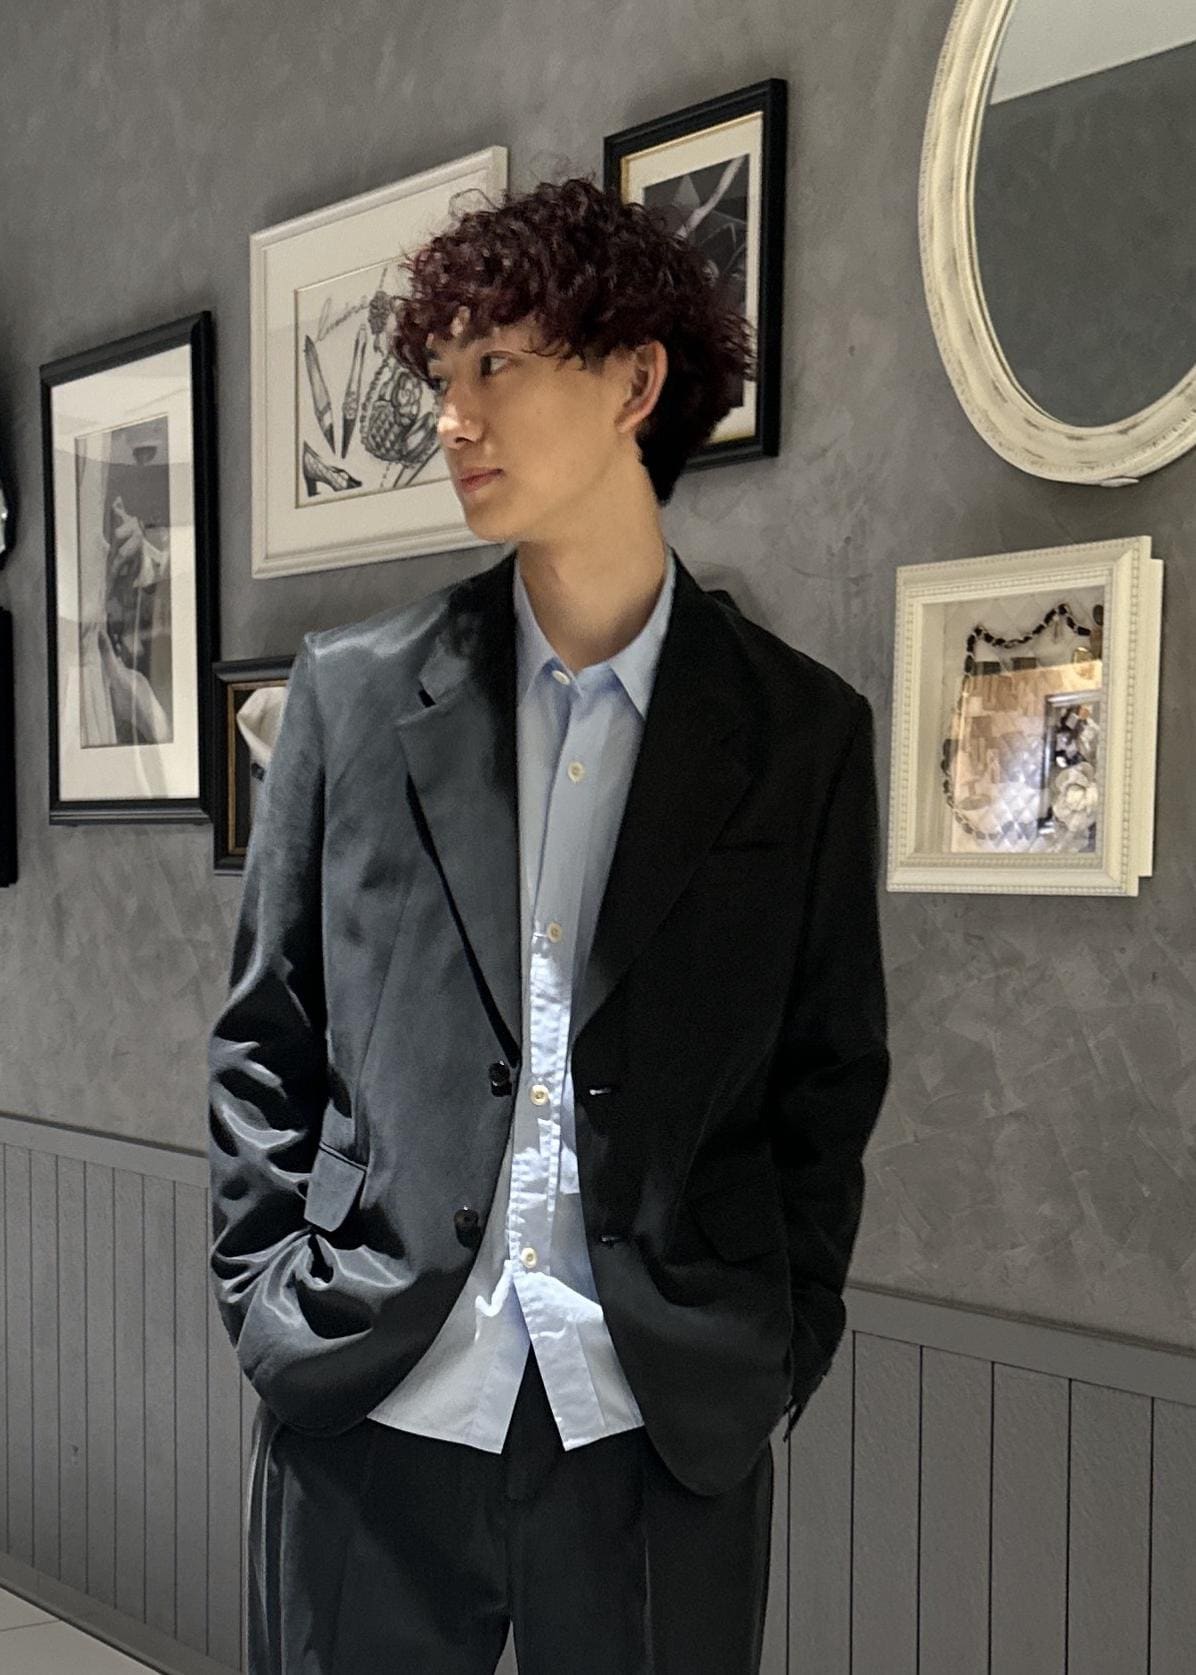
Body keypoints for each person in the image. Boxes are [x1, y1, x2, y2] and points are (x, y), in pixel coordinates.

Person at [207, 175, 890, 1675]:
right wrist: (270, 1301)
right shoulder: (353, 697)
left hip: (655, 1423)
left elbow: (827, 1079)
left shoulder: (799, 737)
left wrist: (777, 1350)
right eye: (440, 375)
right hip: (374, 1395)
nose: (452, 418)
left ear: (636, 381)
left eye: (496, 365)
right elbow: (268, 1034)